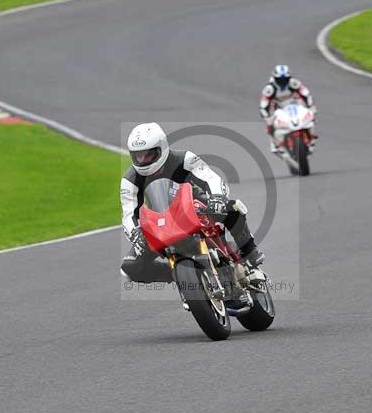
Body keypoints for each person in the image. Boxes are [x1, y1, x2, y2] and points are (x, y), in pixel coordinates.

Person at [120, 122, 265, 285]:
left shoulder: (184, 159)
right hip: (158, 221)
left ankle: (251, 255)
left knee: (233, 208)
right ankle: (177, 275)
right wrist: (135, 233)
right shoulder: (129, 180)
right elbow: (128, 213)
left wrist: (217, 198)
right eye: (138, 156)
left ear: (162, 147)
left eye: (148, 155)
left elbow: (211, 178)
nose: (143, 160)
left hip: (193, 205)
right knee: (130, 267)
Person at [259, 64, 317, 152]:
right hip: (278, 107)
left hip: (295, 104)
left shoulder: (294, 83)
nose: (283, 82)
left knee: (311, 116)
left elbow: (306, 94)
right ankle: (276, 144)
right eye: (280, 79)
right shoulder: (269, 88)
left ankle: (311, 137)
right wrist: (266, 117)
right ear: (275, 78)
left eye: (285, 79)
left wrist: (311, 106)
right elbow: (263, 104)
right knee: (270, 124)